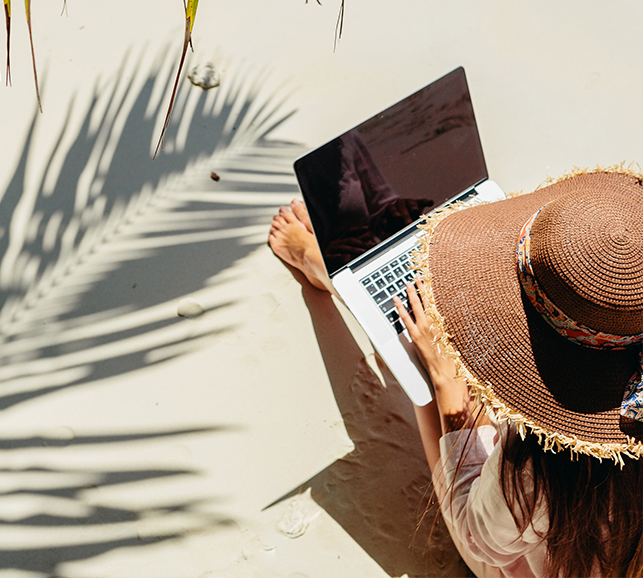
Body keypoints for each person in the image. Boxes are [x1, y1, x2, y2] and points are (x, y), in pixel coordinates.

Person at [269, 168, 643, 577]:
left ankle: (334, 275)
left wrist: (447, 386)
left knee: (439, 357)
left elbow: (477, 536)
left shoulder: (541, 470)